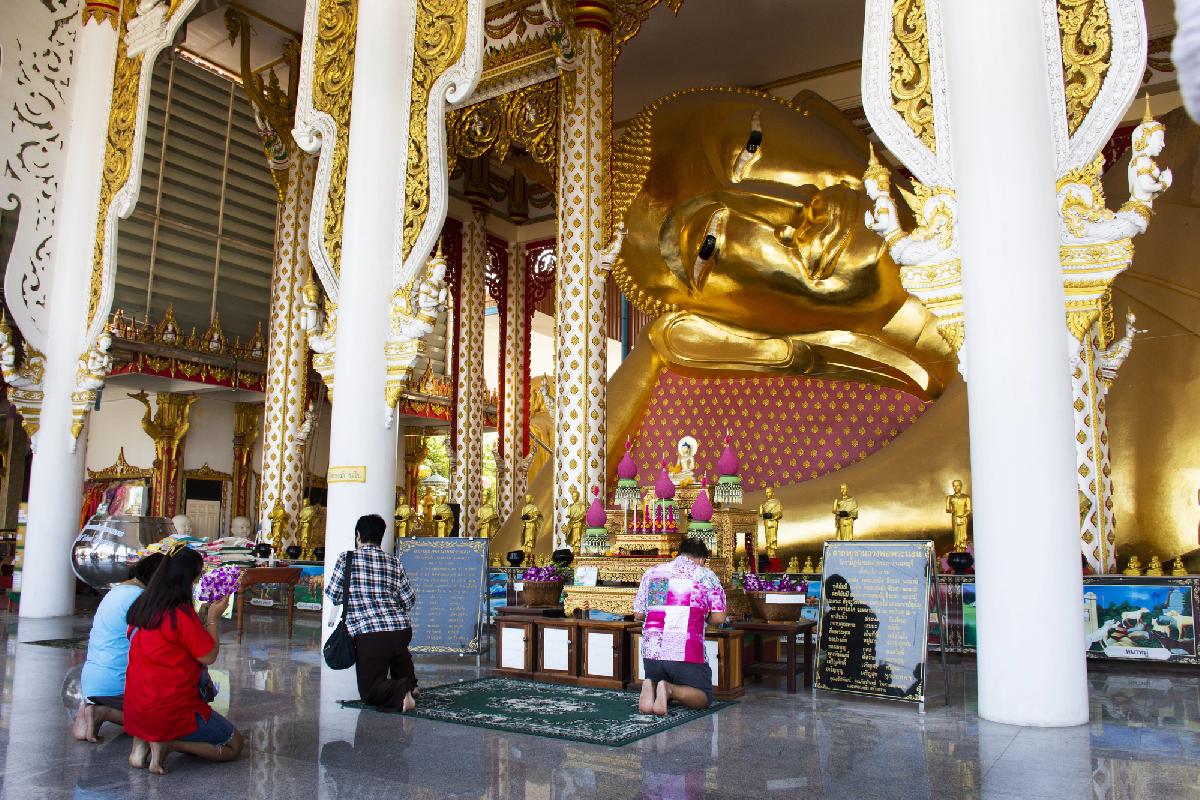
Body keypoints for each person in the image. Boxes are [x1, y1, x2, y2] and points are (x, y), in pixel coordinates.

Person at [124, 542, 244, 774]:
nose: (198, 582)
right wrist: (213, 618)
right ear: (186, 578)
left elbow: (176, 641)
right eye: (198, 576)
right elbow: (208, 656)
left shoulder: (143, 606)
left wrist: (199, 615)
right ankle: (168, 743)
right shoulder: (178, 613)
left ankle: (140, 747)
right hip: (171, 709)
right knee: (233, 745)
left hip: (136, 707)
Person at [325, 514, 419, 712]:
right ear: (381, 537)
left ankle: (402, 691)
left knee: (370, 691)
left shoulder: (346, 559)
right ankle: (411, 684)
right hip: (401, 629)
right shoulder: (394, 562)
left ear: (358, 535)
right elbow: (409, 600)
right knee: (397, 651)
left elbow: (334, 595)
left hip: (370, 634)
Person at [72, 553, 164, 741]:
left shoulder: (116, 591)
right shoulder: (141, 599)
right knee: (163, 721)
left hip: (92, 681)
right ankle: (103, 711)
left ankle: (89, 708)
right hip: (117, 684)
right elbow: (153, 647)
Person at [633, 537, 727, 716]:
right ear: (701, 559)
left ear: (679, 553)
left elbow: (638, 614)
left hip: (652, 652)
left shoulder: (654, 573)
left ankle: (651, 684)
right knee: (704, 697)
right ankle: (669, 690)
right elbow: (719, 617)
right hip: (685, 651)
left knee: (658, 675)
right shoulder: (704, 574)